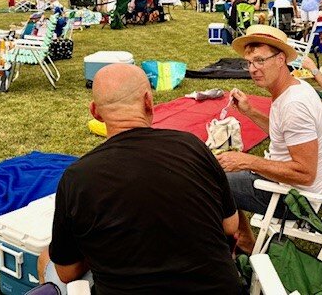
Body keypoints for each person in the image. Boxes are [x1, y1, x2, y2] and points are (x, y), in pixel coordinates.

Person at [38, 64, 240, 294]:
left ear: (95, 112)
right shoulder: (192, 146)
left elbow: (67, 272)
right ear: (148, 101)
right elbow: (230, 225)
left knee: (46, 257)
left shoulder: (77, 178)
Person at [217, 25, 322, 254]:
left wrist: (246, 161)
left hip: (295, 201)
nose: (253, 69)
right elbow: (283, 134)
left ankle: (239, 246)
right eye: (249, 63)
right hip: (290, 188)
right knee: (219, 175)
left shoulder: (294, 105)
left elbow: (305, 173)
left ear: (280, 59)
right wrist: (249, 111)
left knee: (211, 182)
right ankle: (243, 241)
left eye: (260, 61)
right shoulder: (292, 89)